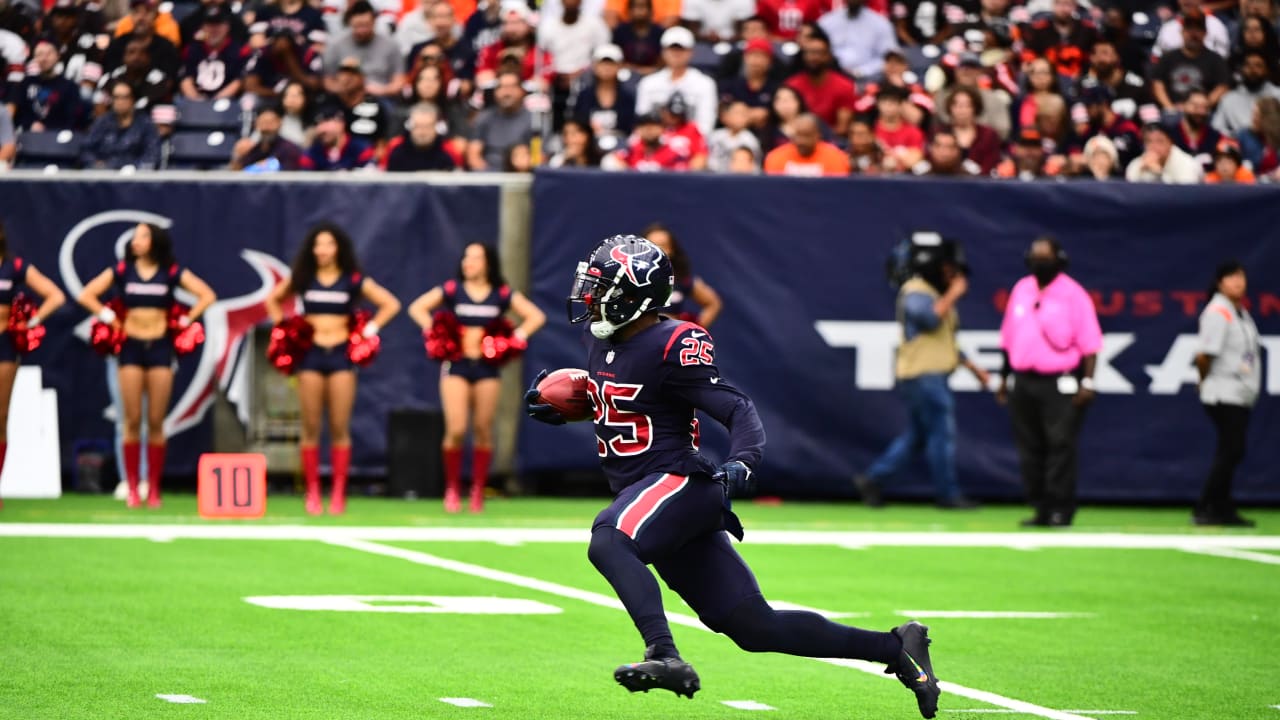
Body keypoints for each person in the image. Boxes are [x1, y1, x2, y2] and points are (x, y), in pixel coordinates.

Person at [524, 234, 941, 719]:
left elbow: (736, 407)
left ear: (634, 295)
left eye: (603, 288)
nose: (591, 298)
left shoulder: (672, 341)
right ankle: (897, 648)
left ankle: (664, 654)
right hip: (653, 495)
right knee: (754, 627)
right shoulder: (603, 343)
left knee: (609, 540)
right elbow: (629, 400)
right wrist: (574, 405)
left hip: (678, 482)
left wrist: (745, 459)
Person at [265, 222, 401, 515]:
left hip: (341, 356)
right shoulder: (303, 278)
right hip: (310, 356)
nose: (323, 250)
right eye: (318, 244)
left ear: (338, 248)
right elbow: (273, 299)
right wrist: (284, 327)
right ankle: (312, 493)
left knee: (340, 426)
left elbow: (390, 304)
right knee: (311, 426)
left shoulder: (352, 279)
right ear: (312, 250)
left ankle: (338, 493)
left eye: (328, 244)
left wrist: (371, 329)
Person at [77, 224, 216, 508]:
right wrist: (107, 315)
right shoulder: (121, 271)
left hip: (161, 348)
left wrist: (188, 319)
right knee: (131, 419)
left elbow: (207, 295)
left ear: (155, 241)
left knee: (155, 420)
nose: (136, 241)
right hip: (129, 347)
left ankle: (152, 487)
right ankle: (131, 486)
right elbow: (86, 295)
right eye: (135, 236)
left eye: (143, 236)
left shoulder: (172, 272)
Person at [408, 243, 545, 513]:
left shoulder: (501, 293)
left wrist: (514, 339)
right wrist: (434, 332)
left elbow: (535, 316)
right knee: (456, 429)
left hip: (486, 368)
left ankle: (478, 490)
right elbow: (417, 308)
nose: (468, 262)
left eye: (475, 258)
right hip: (456, 365)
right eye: (466, 257)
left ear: (487, 263)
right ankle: (451, 488)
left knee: (483, 429)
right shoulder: (452, 290)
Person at [856, 233, 986, 509]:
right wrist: (954, 293)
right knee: (942, 433)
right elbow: (927, 320)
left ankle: (874, 479)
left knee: (917, 437)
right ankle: (948, 495)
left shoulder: (934, 294)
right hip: (923, 375)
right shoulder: (916, 289)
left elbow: (944, 339)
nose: (953, 276)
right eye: (949, 270)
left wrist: (972, 366)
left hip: (929, 375)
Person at [996, 236, 1101, 528]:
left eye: (1046, 257)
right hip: (1023, 380)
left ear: (1060, 259)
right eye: (1036, 257)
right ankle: (1040, 506)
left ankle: (1061, 507)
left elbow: (1090, 343)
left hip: (1060, 381)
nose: (1040, 263)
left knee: (1060, 444)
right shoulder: (1021, 288)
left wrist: (1087, 383)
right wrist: (1004, 379)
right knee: (1030, 447)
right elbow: (1008, 339)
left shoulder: (1073, 294)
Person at [0, 220, 66, 510]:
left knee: (0, 416)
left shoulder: (14, 267)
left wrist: (32, 321)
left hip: (4, 344)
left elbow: (55, 295)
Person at [1193, 261, 1260, 527]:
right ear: (1220, 282)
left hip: (1241, 391)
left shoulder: (1240, 311)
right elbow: (1204, 354)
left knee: (1232, 450)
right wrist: (1204, 380)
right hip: (1223, 391)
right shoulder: (1218, 311)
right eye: (1232, 277)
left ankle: (1221, 507)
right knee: (1231, 449)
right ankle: (1208, 506)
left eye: (1241, 277)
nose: (1238, 282)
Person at [642, 223, 722, 327]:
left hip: (669, 339)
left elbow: (713, 303)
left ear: (671, 250)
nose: (658, 251)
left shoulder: (682, 279)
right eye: (652, 246)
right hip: (639, 339)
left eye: (663, 246)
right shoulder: (629, 278)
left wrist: (695, 330)